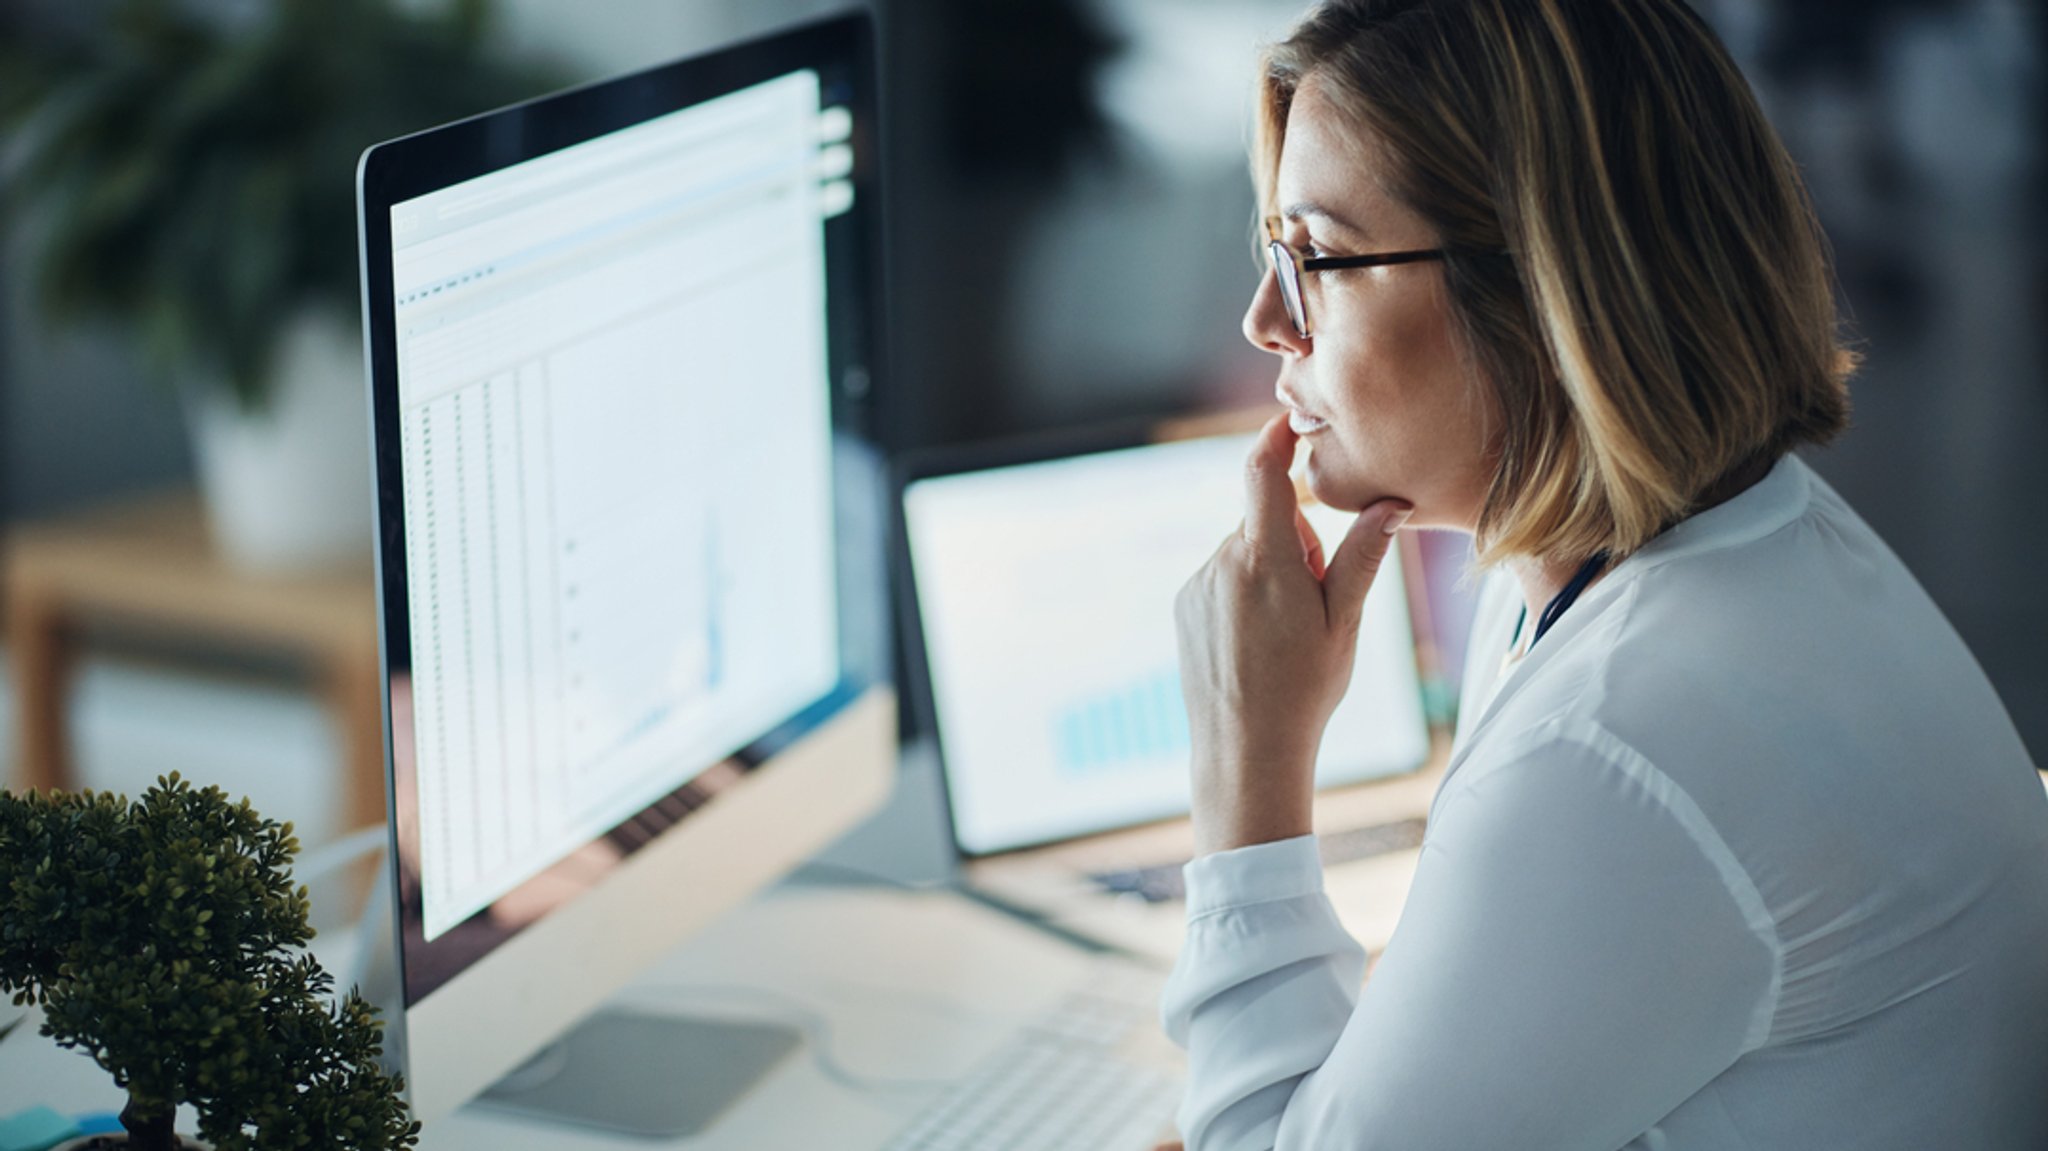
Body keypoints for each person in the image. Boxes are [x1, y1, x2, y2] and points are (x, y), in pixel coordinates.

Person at [1162, 1, 2048, 1148]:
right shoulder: (1703, 547)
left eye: (1320, 258)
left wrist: (1247, 761)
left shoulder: (1621, 738)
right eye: (1274, 252)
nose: (1265, 320)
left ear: (1542, 294)